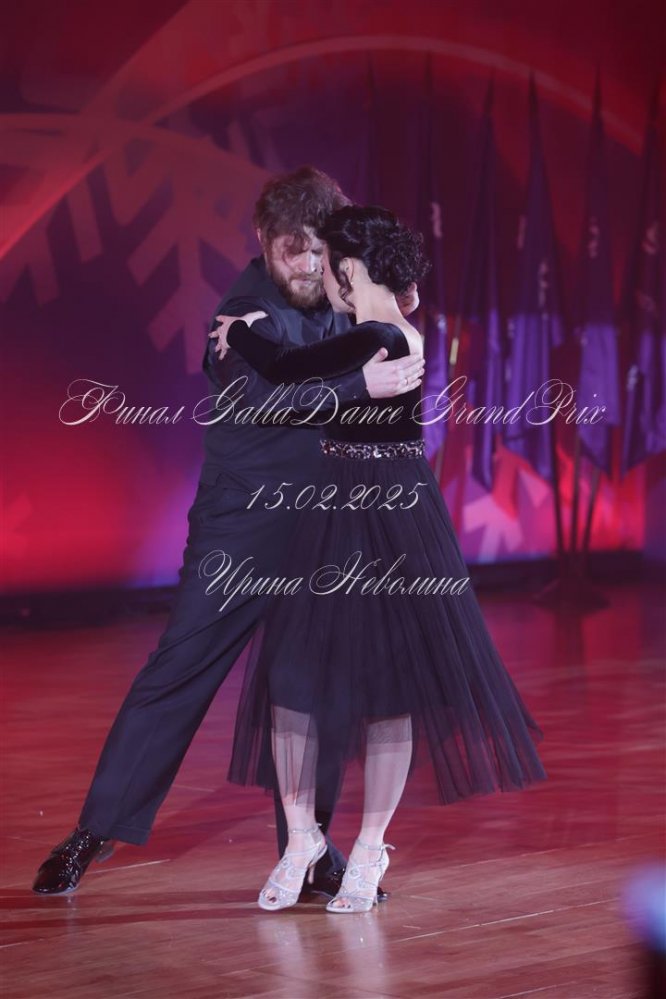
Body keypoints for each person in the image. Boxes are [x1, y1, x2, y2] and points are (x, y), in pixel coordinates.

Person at [31, 168, 424, 897]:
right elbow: (262, 398)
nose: (305, 265)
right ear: (263, 240)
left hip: (323, 530)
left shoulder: (344, 295)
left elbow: (395, 308)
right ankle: (96, 827)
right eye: (290, 250)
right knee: (179, 669)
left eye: (317, 251)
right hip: (242, 530)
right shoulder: (243, 312)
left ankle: (310, 853)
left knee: (310, 688)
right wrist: (357, 388)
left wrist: (397, 303)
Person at [210, 205, 547, 914]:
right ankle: (302, 839)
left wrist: (240, 330)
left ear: (349, 269)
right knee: (291, 677)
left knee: (388, 691)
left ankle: (367, 847)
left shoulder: (383, 334)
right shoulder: (379, 328)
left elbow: (287, 370)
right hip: (337, 504)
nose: (321, 277)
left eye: (328, 265)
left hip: (386, 514)